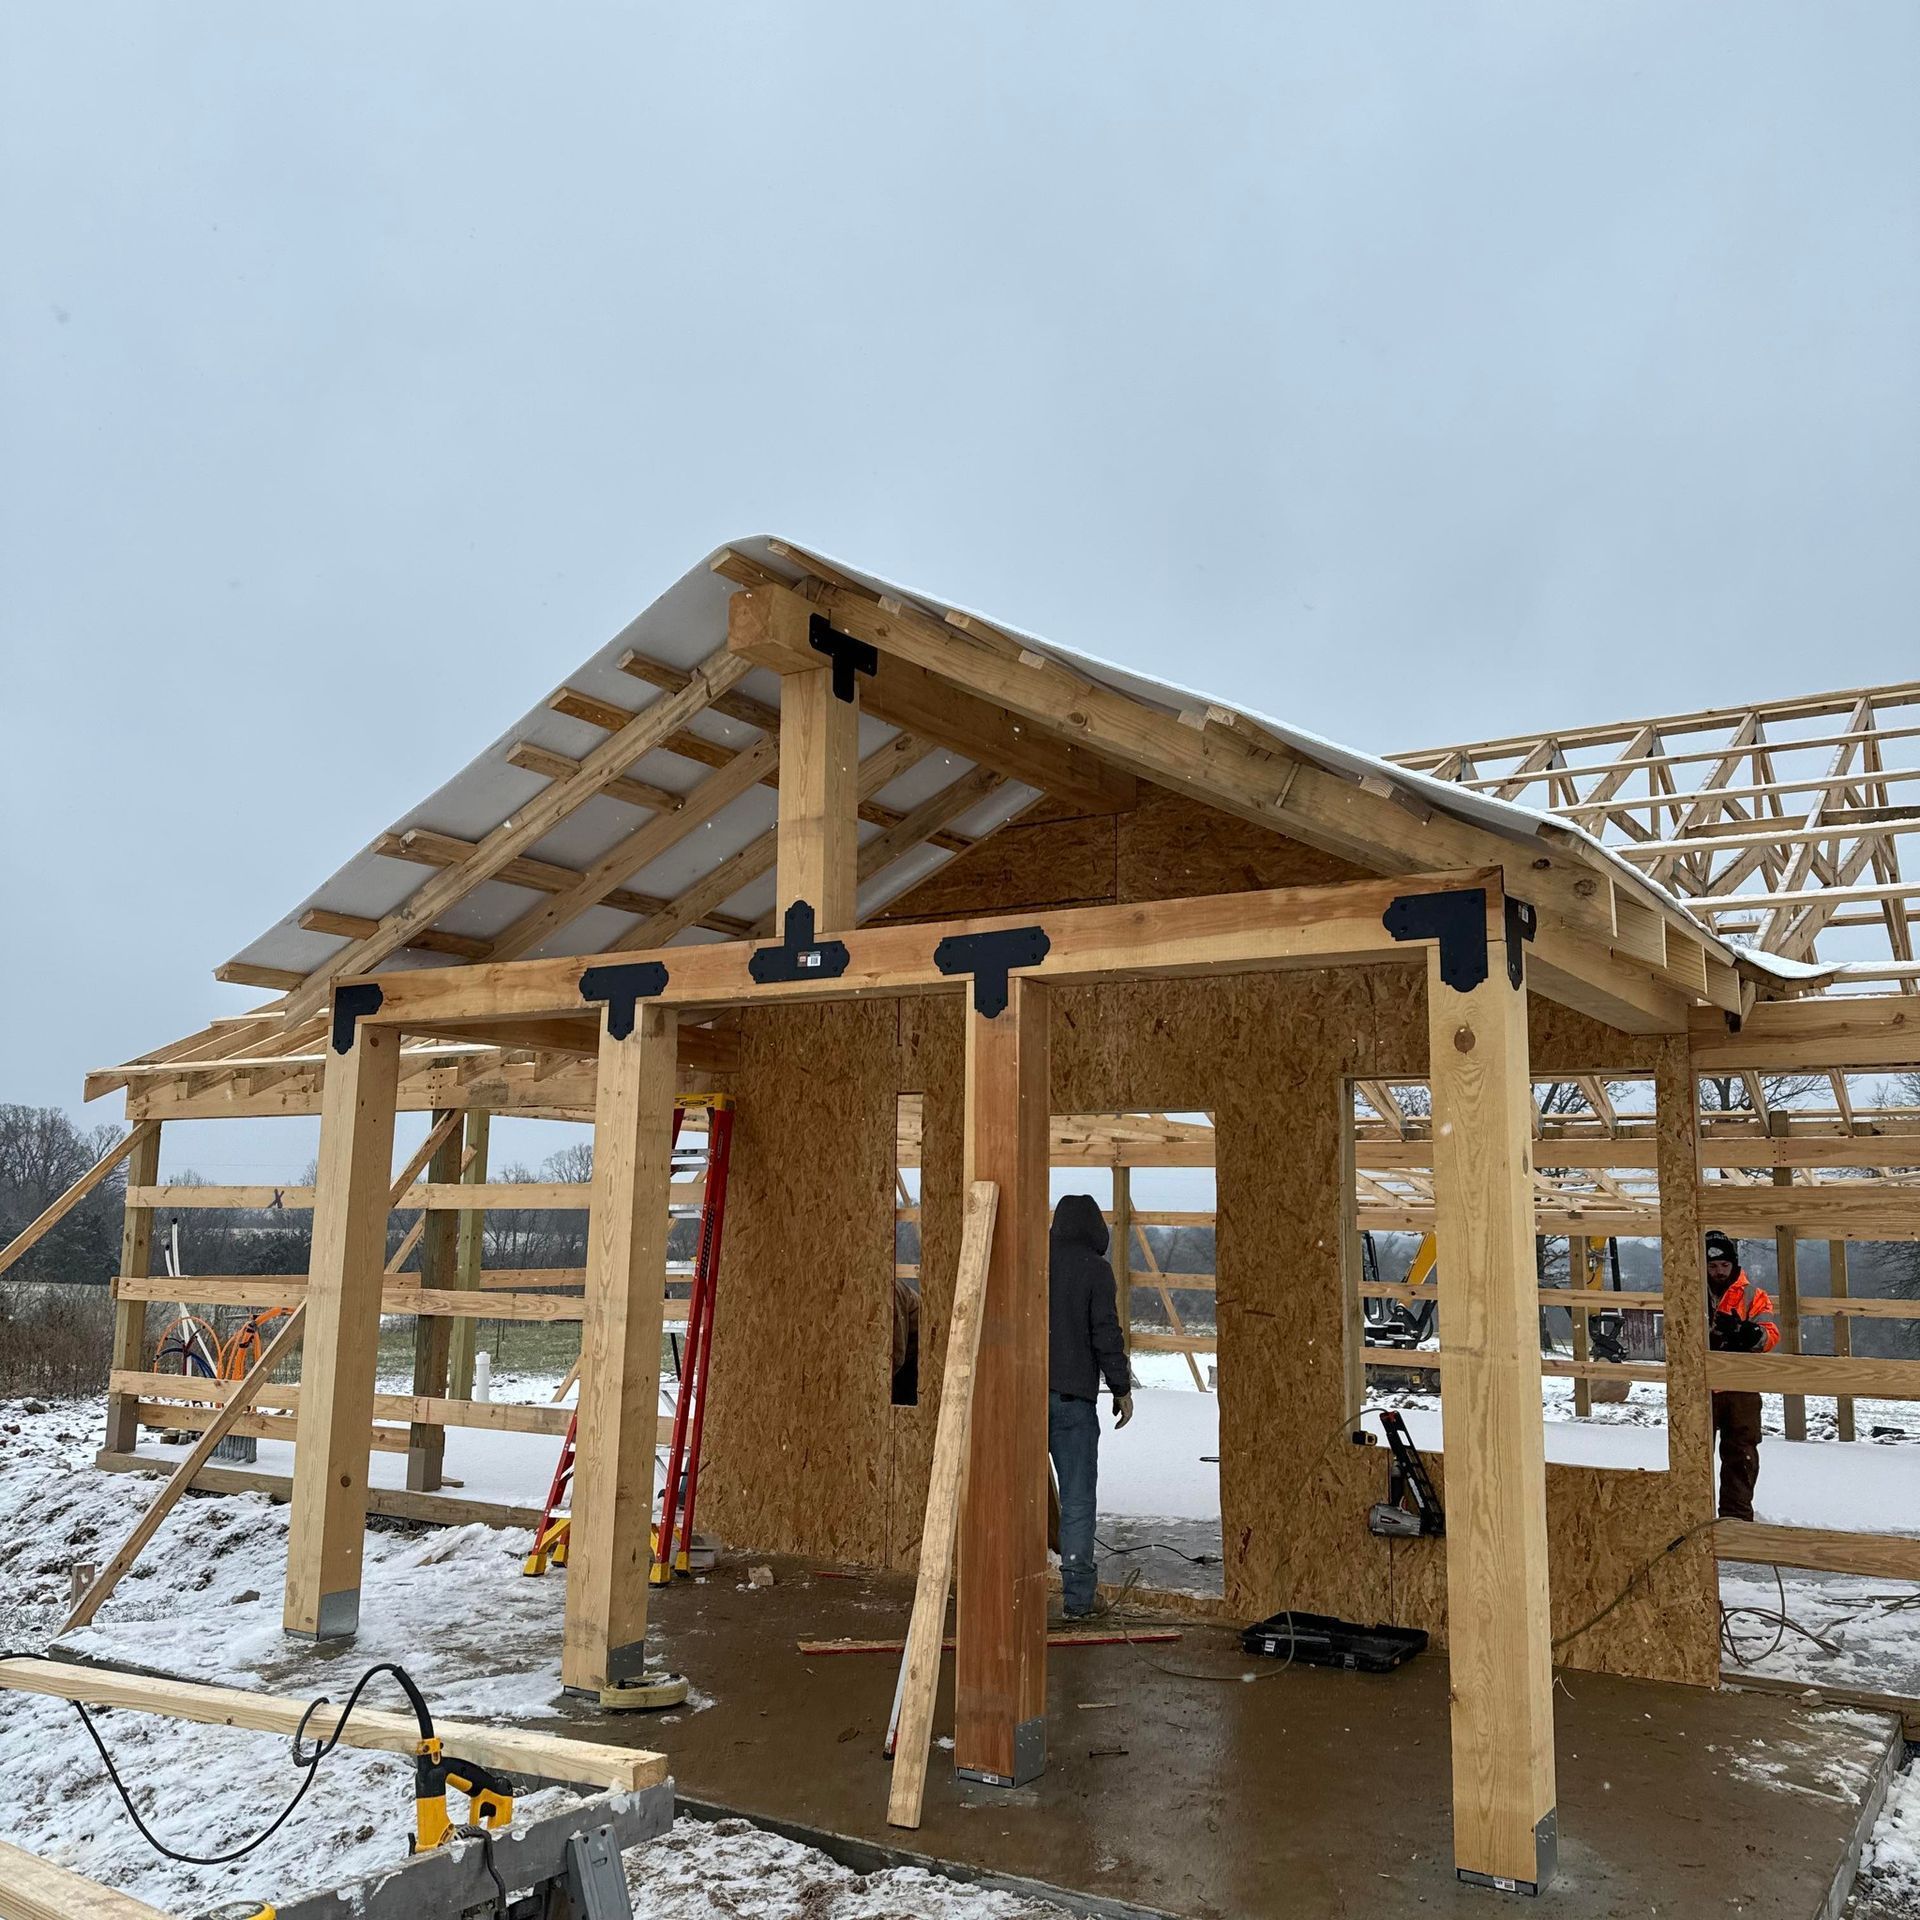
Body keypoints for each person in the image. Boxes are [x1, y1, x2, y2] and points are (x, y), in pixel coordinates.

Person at [1047, 1193, 1134, 1619]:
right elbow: (1105, 1334)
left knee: (1017, 1498)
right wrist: (1120, 1387)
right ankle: (1078, 1602)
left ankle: (1010, 1592)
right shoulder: (1095, 1271)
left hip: (1023, 1401)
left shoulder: (1032, 1262)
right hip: (1073, 1403)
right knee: (1077, 1501)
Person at [1705, 1229, 1779, 1523]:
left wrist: (1746, 1333)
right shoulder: (1688, 1291)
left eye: (1723, 1265)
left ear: (1733, 1264)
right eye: (1712, 1266)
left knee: (1742, 1455)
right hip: (1701, 1387)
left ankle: (1736, 1519)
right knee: (1694, 1456)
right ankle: (1696, 1515)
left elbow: (1770, 1335)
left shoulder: (1752, 1295)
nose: (1718, 1271)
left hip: (1741, 1384)